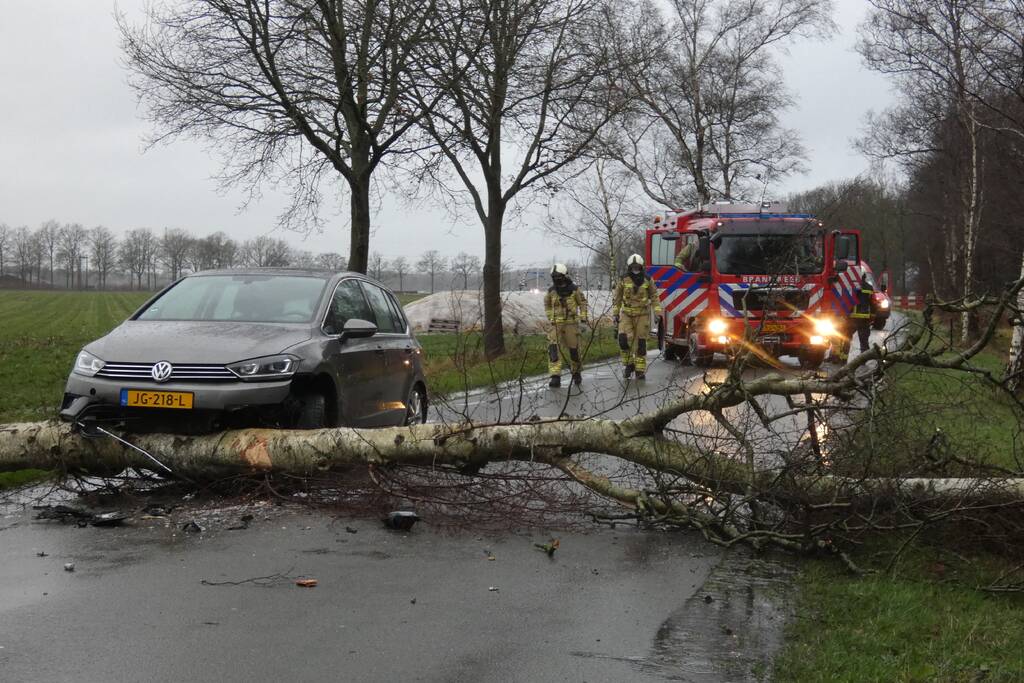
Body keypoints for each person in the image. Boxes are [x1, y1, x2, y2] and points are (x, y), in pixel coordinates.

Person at [612, 254, 662, 380]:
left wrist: (657, 313)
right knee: (623, 339)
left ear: (641, 266)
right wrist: (615, 314)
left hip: (642, 315)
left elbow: (654, 296)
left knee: (641, 343)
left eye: (637, 267)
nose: (635, 269)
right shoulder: (623, 279)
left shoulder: (647, 280)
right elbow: (617, 298)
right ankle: (629, 364)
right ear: (629, 267)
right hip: (626, 314)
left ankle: (640, 370)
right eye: (633, 267)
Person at [544, 263, 588, 388]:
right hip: (556, 324)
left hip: (571, 323)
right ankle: (555, 376)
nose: (557, 279)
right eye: (554, 277)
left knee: (574, 350)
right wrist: (550, 316)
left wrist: (583, 318)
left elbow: (583, 303)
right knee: (553, 349)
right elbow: (546, 304)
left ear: (564, 276)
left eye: (559, 276)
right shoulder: (551, 291)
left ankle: (576, 372)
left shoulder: (574, 290)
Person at [836, 276, 874, 362]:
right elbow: (872, 303)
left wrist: (843, 314)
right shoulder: (869, 287)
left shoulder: (850, 286)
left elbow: (844, 301)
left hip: (851, 317)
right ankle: (863, 360)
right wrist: (872, 316)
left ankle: (843, 359)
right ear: (864, 276)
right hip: (864, 318)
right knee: (864, 341)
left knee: (846, 338)